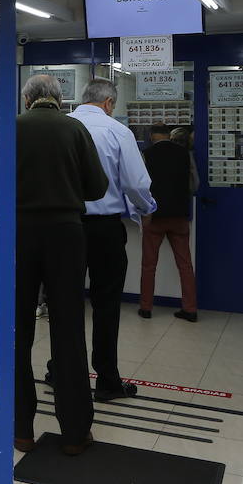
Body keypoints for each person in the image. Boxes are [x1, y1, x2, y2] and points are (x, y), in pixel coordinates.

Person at [0, 73, 108, 456]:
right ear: (59, 99)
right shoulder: (75, 129)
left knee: (17, 330)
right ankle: (74, 433)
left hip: (19, 233)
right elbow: (97, 187)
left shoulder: (12, 128)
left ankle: (21, 429)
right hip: (66, 235)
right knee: (68, 330)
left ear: (27, 98)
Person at [68, 79, 156, 401]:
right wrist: (147, 208)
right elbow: (136, 183)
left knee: (66, 303)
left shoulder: (62, 127)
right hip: (104, 230)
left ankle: (60, 372)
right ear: (108, 103)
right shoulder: (118, 131)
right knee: (106, 306)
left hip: (65, 227)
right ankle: (106, 382)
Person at [140, 124, 199, 322]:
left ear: (151, 136)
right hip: (179, 216)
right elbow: (195, 184)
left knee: (149, 265)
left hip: (154, 216)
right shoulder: (185, 154)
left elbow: (140, 185)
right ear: (168, 135)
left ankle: (146, 308)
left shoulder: (146, 155)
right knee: (185, 265)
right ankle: (190, 309)